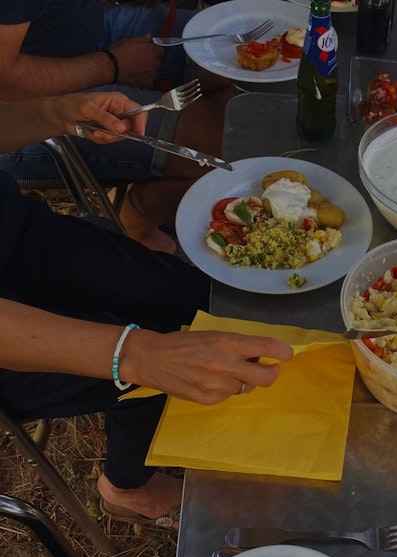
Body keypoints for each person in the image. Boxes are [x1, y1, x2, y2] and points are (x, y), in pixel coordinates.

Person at [0, 92, 294, 526]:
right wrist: (139, 353)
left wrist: (49, 112)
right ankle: (126, 487)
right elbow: (141, 352)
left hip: (17, 235)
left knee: (199, 306)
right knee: (159, 362)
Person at [0, 0, 235, 253]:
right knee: (230, 143)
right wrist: (111, 65)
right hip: (19, 107)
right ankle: (133, 219)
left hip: (77, 30)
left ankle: (180, 186)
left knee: (240, 58)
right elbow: (5, 82)